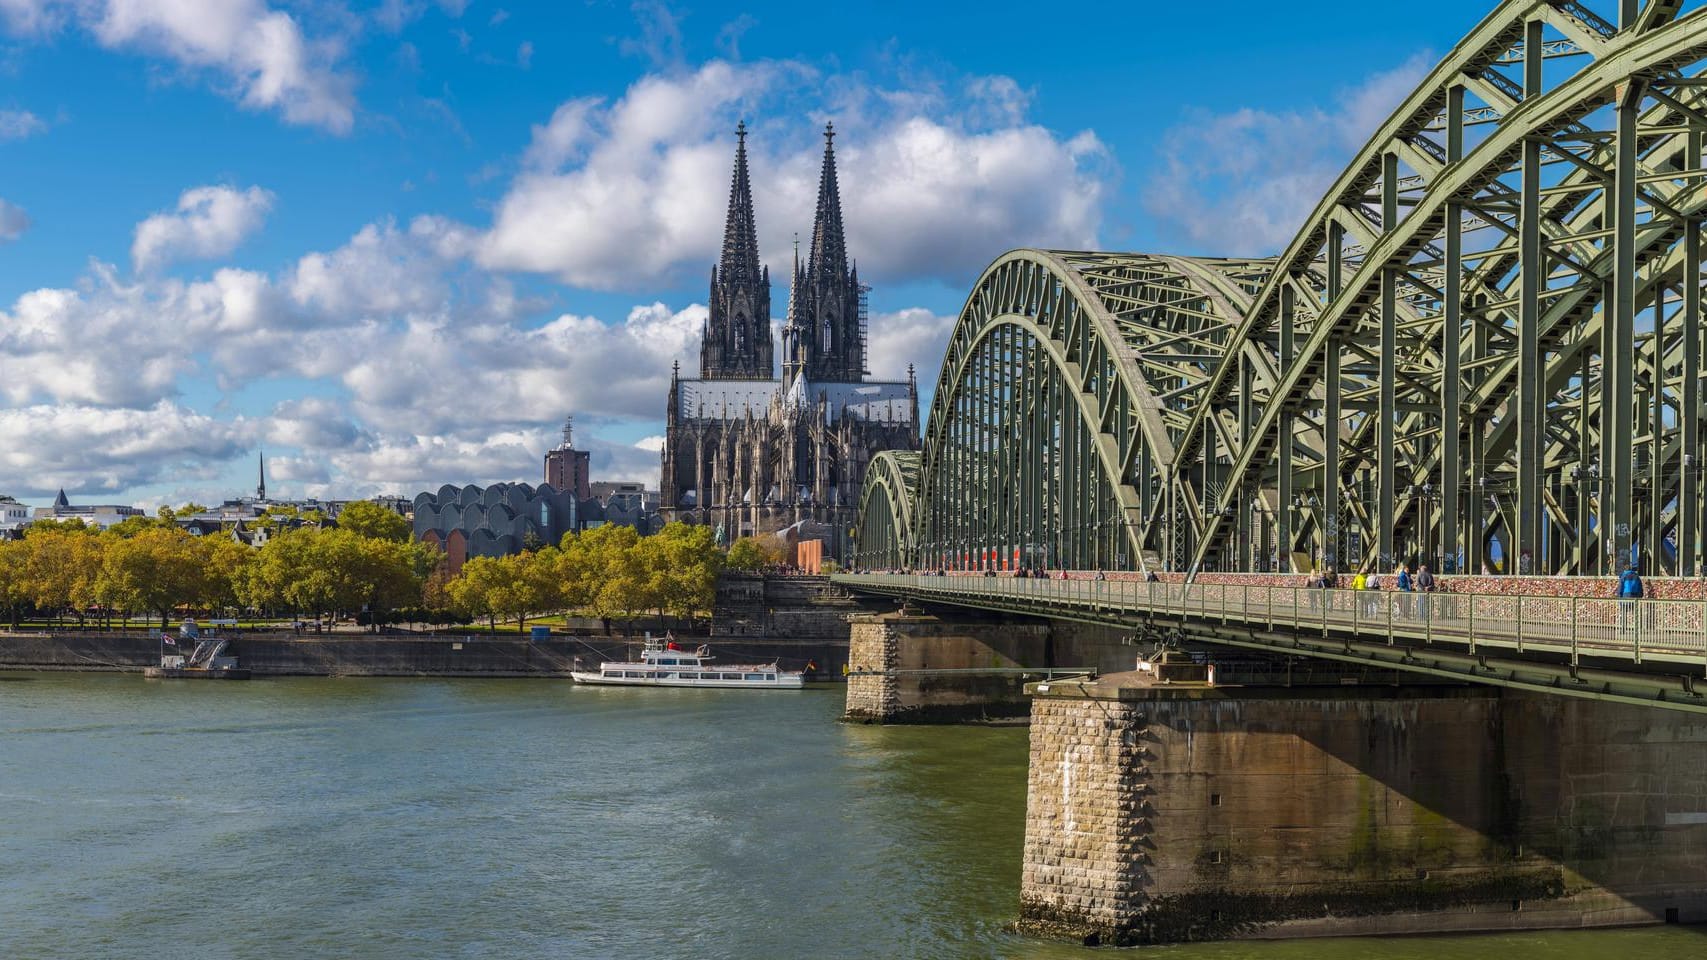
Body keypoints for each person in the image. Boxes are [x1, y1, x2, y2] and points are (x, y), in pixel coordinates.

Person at [1617, 564, 1644, 630]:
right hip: (1635, 596)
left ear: (1625, 569)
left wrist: (1619, 596)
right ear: (1631, 569)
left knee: (1623, 613)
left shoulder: (1623, 576)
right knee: (1636, 613)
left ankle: (1623, 629)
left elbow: (1620, 587)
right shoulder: (1636, 576)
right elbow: (1640, 587)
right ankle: (1637, 629)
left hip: (1625, 596)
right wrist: (1640, 596)